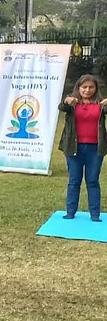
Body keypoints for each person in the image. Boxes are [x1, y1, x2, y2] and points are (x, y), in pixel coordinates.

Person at [57, 75, 107, 222]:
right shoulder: (72, 103)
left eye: (91, 87)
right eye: (84, 87)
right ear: (78, 88)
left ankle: (95, 214)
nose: (87, 90)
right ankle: (70, 212)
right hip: (74, 148)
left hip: (95, 149)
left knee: (92, 181)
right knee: (74, 181)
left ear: (96, 89)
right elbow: (62, 106)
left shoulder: (101, 105)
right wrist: (66, 100)